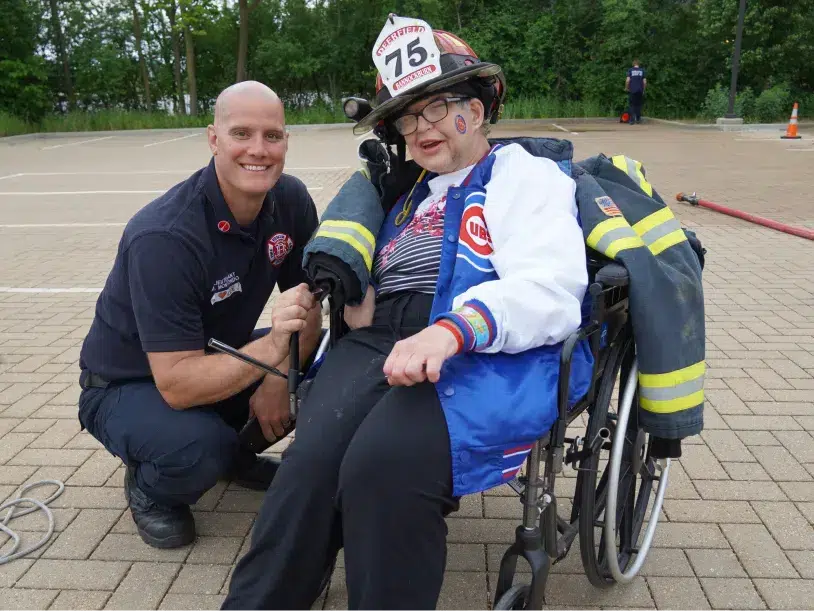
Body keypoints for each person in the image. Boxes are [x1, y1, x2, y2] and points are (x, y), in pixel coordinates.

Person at [220, 15, 593, 611]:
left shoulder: (525, 175)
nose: (420, 128)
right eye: (407, 115)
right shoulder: (409, 189)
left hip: (481, 345)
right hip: (382, 338)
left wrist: (449, 330)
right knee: (309, 467)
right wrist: (353, 293)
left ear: (478, 106)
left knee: (381, 467)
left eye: (438, 107)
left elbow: (551, 288)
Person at [76, 81, 323, 550]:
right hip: (128, 384)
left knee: (315, 374)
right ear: (214, 139)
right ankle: (152, 488)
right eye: (241, 134)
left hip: (214, 355)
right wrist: (273, 354)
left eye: (272, 136)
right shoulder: (166, 236)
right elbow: (177, 384)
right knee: (197, 447)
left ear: (286, 141)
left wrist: (278, 379)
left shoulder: (288, 200)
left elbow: (307, 302)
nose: (258, 149)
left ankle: (232, 454)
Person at [625, 59, 647, 124]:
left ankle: (632, 120)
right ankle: (638, 119)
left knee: (632, 105)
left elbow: (627, 80)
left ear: (633, 64)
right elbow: (645, 82)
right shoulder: (642, 70)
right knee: (638, 105)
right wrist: (643, 89)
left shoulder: (630, 70)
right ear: (638, 64)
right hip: (640, 90)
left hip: (632, 90)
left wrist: (626, 88)